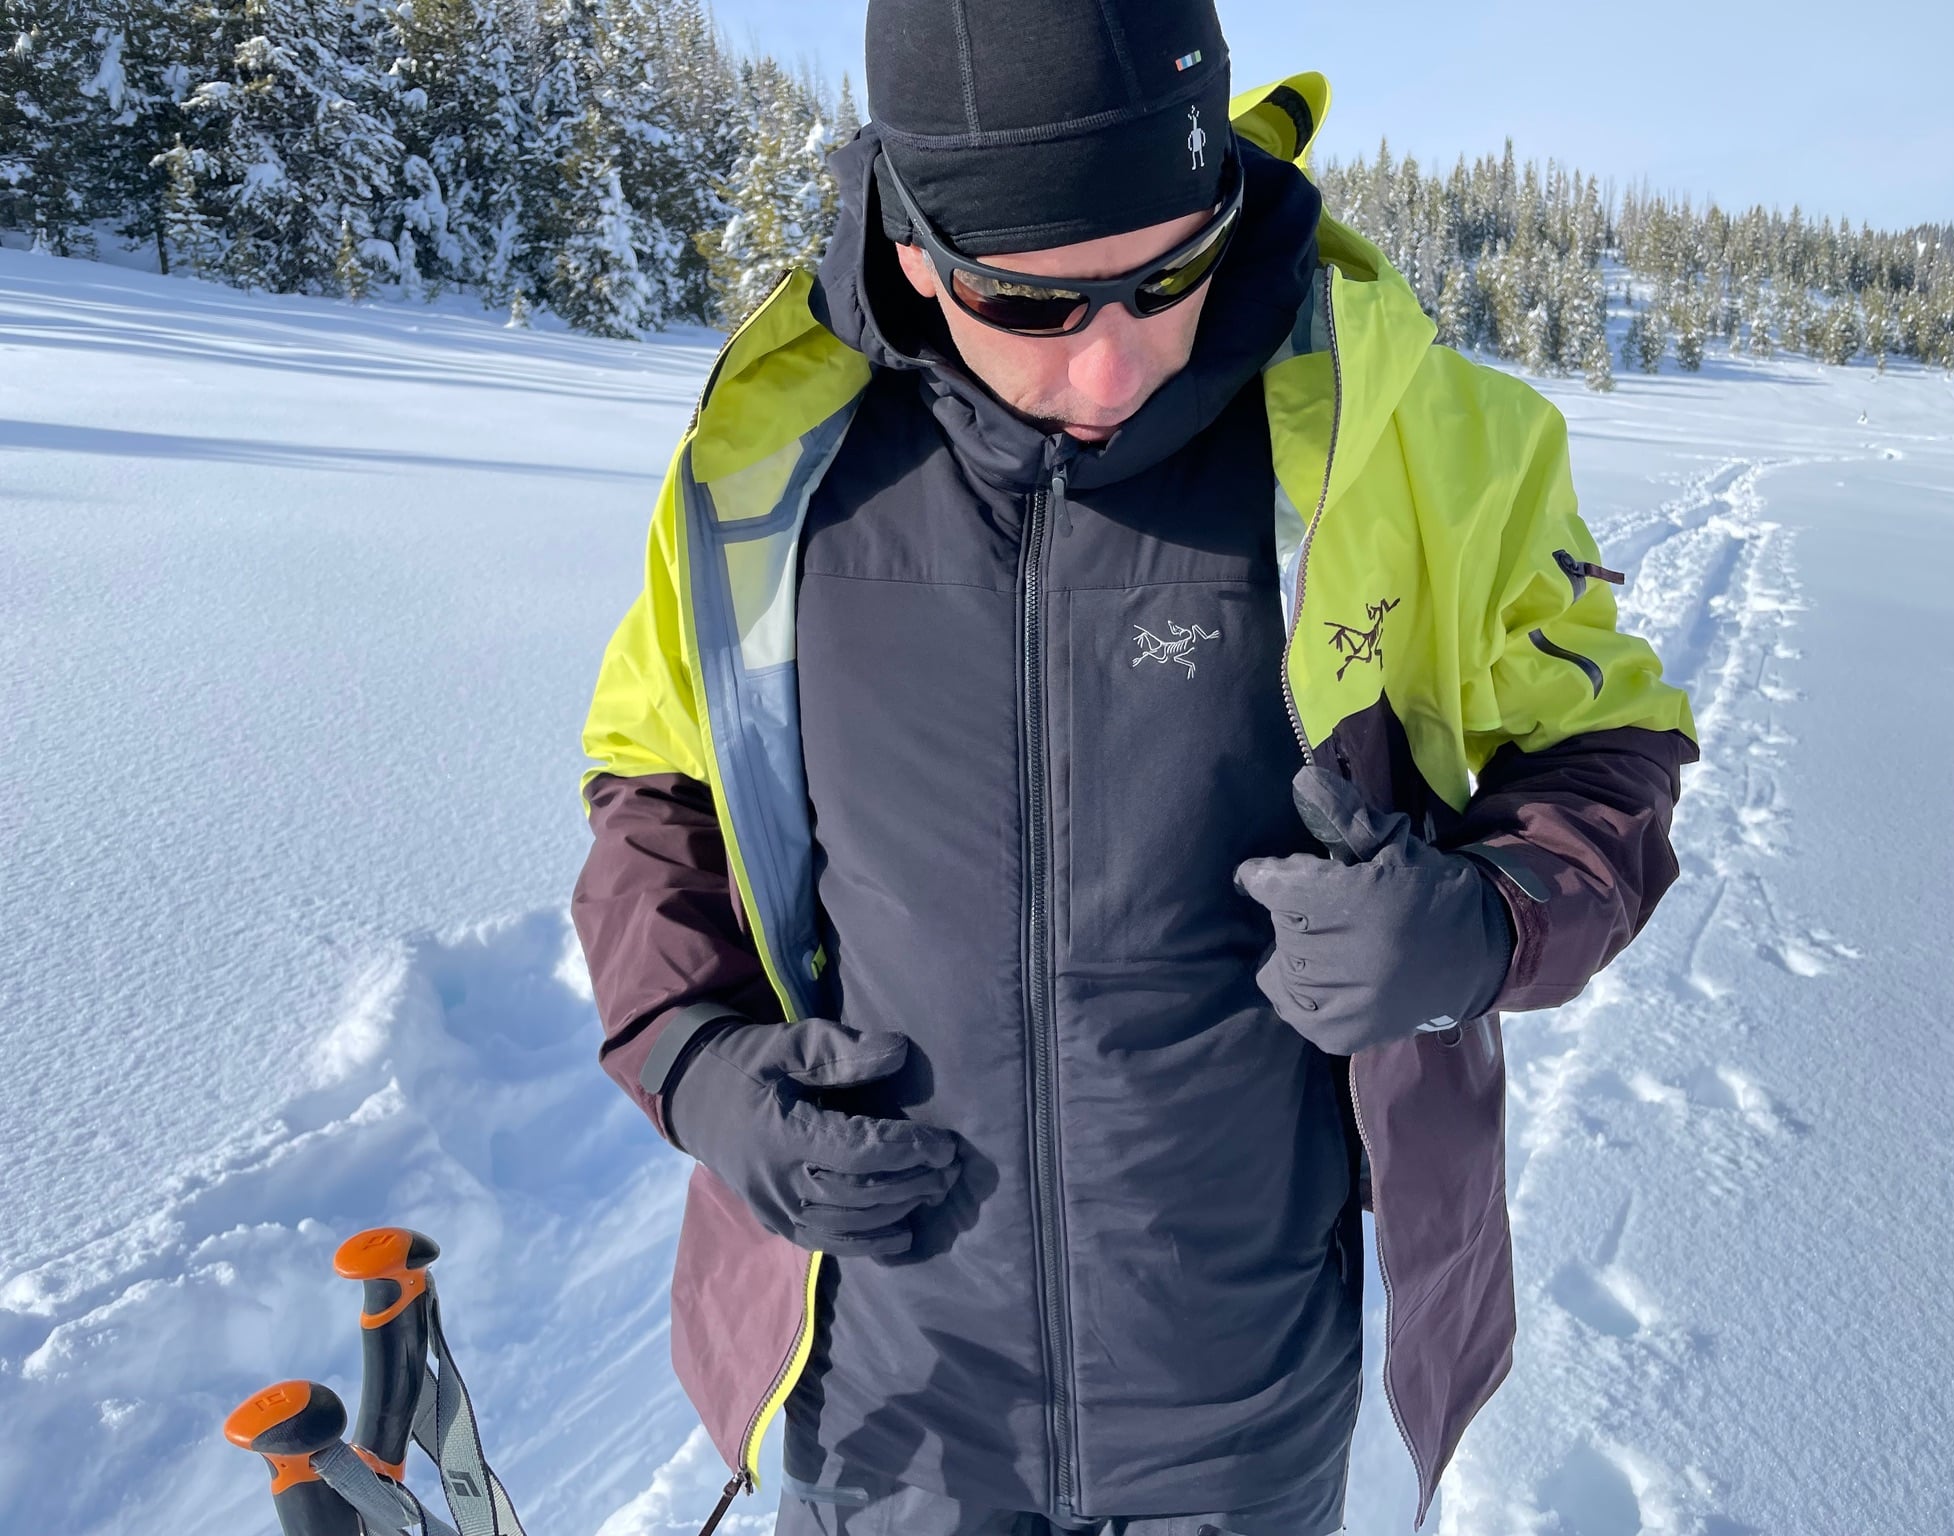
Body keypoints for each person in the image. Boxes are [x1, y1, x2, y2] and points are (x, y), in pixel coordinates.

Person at [570, 3, 1699, 1533]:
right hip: (893, 1395)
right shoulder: (776, 462)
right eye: (1035, 306)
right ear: (916, 247)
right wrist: (694, 1062)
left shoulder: (1411, 438)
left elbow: (1607, 748)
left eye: (1172, 275)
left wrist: (1480, 922)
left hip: (1241, 1386)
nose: (1115, 369)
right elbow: (658, 790)